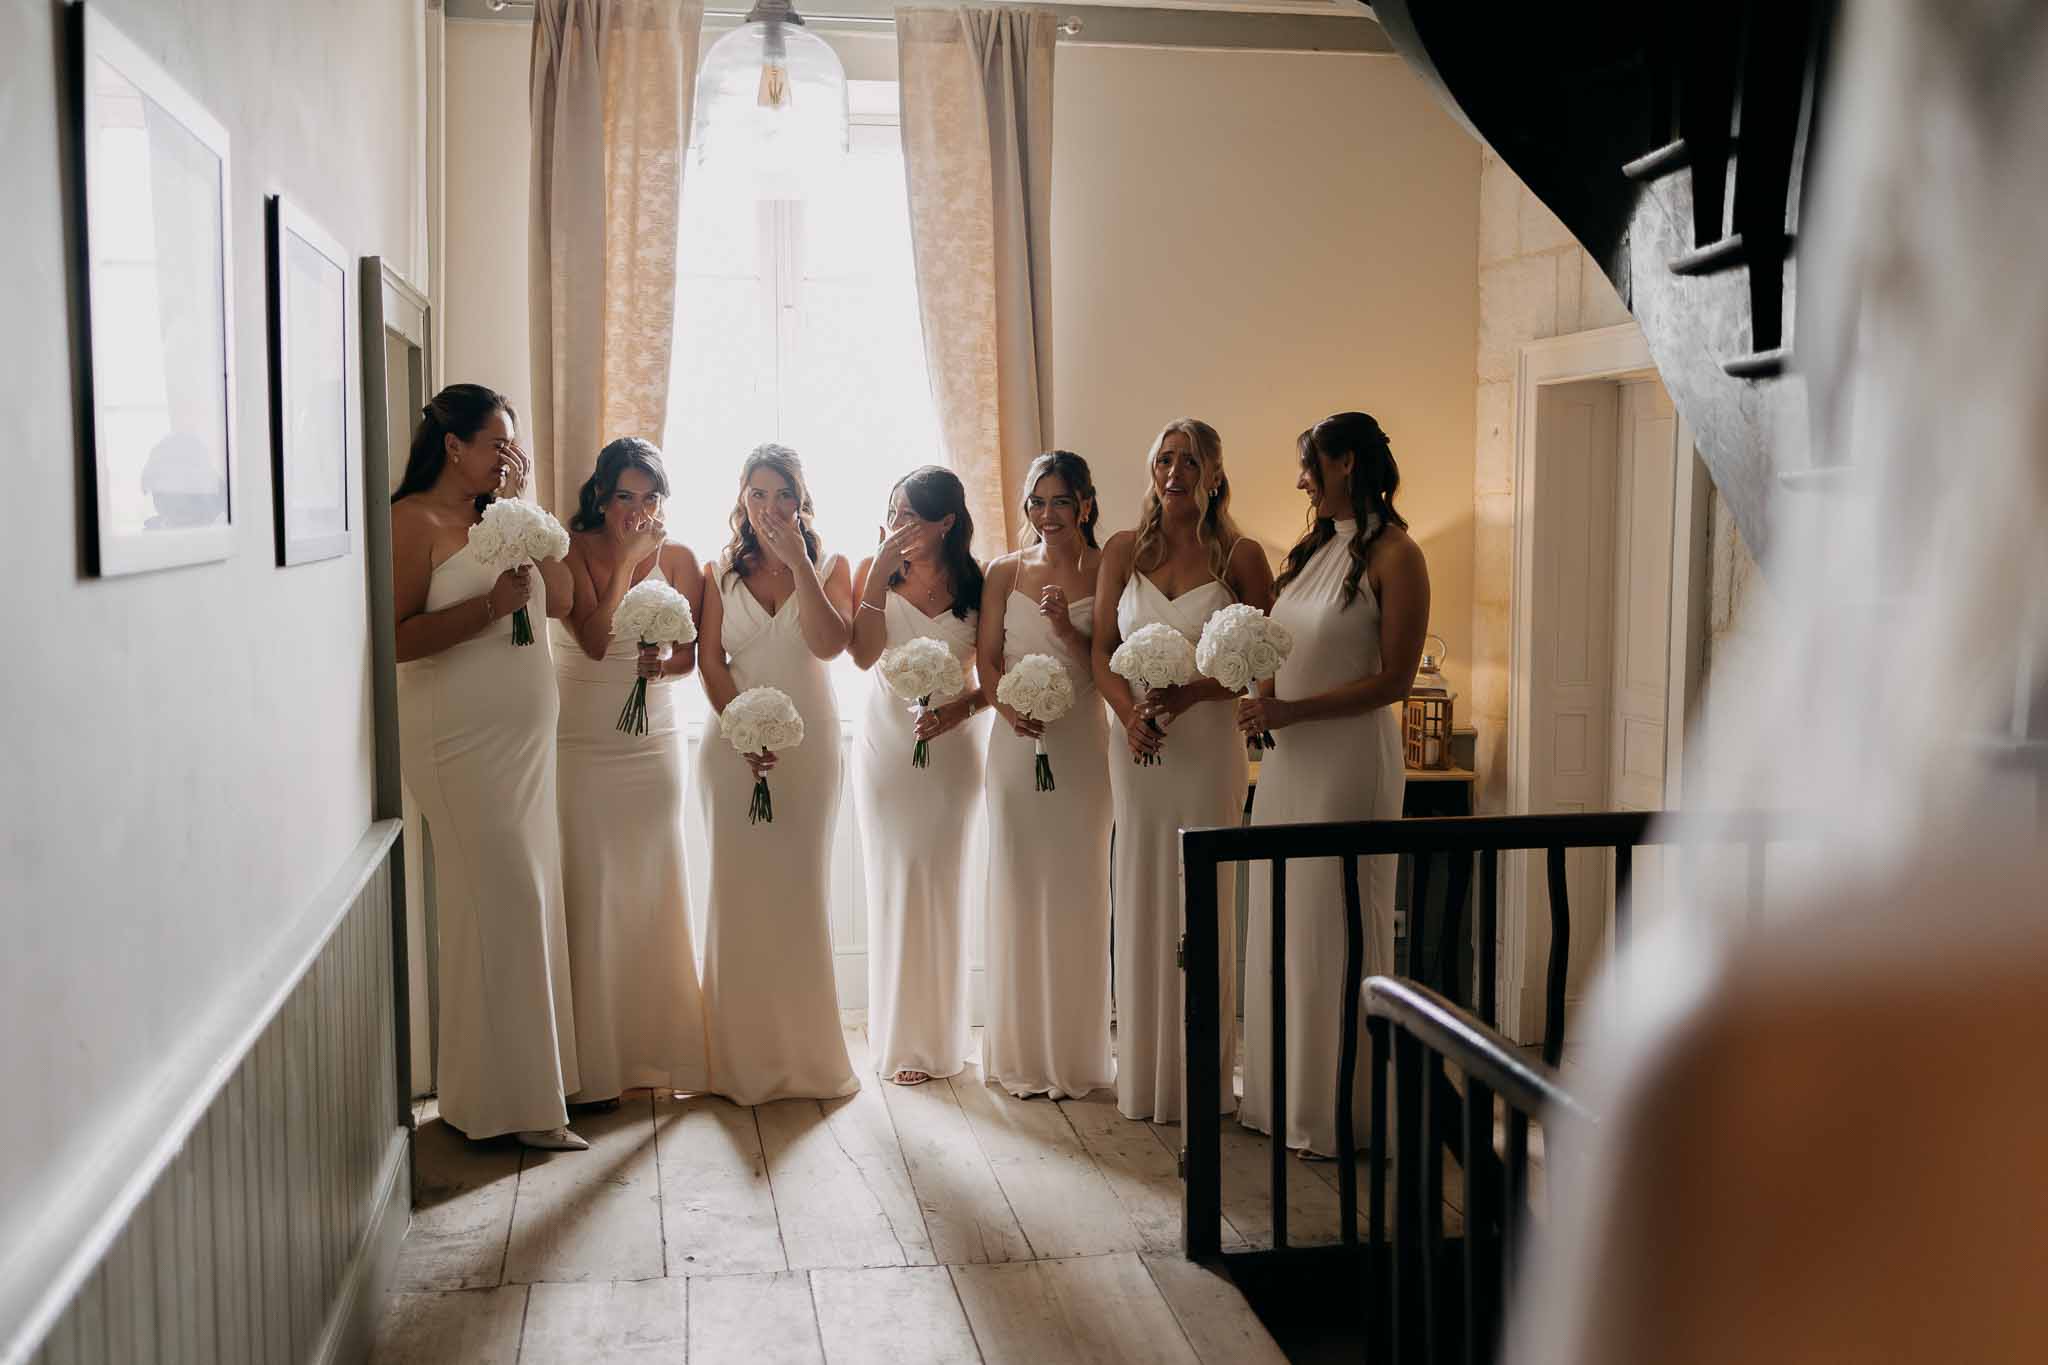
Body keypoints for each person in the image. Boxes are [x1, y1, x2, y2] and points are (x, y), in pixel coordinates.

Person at [390, 383, 585, 1150]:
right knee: (505, 900)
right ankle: (527, 1107)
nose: (510, 456)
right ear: (453, 446)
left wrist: (523, 513)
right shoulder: (410, 521)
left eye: (513, 444)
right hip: (457, 743)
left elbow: (562, 600)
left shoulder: (498, 518)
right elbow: (395, 636)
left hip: (525, 748)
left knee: (512, 906)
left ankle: (489, 1098)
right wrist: (487, 610)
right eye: (497, 443)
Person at [1236, 412, 1429, 1158]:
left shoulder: (1399, 555)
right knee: (1284, 919)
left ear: (1347, 462)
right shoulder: (1312, 550)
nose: (1301, 481)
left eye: (1310, 466)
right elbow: (1284, 647)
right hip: (1289, 762)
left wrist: (1291, 710)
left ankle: (1343, 1109)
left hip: (1349, 764)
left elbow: (1394, 681)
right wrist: (1262, 697)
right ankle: (1284, 1099)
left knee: (1335, 923)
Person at [1093, 418, 1274, 1123]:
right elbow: (1100, 649)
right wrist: (1127, 714)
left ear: (1215, 473)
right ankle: (1143, 1074)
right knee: (1140, 888)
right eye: (1165, 459)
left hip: (1206, 746)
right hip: (1137, 743)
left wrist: (1193, 694)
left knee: (1203, 896)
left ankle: (1200, 1075)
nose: (1175, 473)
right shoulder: (1122, 550)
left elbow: (1260, 659)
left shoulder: (1241, 555)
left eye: (1190, 461)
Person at [694, 444, 860, 1105]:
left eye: (783, 493)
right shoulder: (716, 573)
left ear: (801, 499)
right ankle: (735, 1060)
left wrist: (799, 565)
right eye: (758, 492)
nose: (770, 506)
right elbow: (710, 660)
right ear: (742, 496)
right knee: (738, 893)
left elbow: (830, 644)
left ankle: (806, 1057)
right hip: (730, 745)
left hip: (808, 748)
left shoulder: (832, 566)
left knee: (798, 892)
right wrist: (741, 729)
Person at [555, 437, 709, 1104]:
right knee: (592, 886)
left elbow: (690, 655)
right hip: (585, 738)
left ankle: (655, 1052)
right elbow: (594, 640)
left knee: (653, 884)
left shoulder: (680, 558)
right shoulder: (573, 548)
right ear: (601, 495)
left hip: (654, 741)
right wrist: (623, 559)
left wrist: (662, 666)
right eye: (624, 496)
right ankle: (595, 1065)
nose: (637, 510)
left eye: (649, 498)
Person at [978, 452, 1116, 1100]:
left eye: (1061, 501)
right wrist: (1008, 708)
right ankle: (1019, 1050)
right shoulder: (1003, 570)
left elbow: (1109, 662)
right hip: (1014, 745)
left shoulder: (1107, 567)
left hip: (1082, 745)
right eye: (1037, 501)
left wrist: (1063, 625)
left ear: (1085, 503)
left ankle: (1074, 1054)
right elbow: (987, 661)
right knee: (1018, 882)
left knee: (1078, 888)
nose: (1047, 514)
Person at [848, 467, 988, 1086]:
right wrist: (879, 574)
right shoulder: (875, 570)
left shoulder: (978, 582)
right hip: (887, 747)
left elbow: (993, 675)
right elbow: (860, 655)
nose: (897, 524)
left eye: (909, 514)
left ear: (945, 522)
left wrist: (958, 710)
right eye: (892, 512)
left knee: (942, 881)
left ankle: (942, 1037)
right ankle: (899, 1038)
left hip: (954, 749)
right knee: (896, 880)